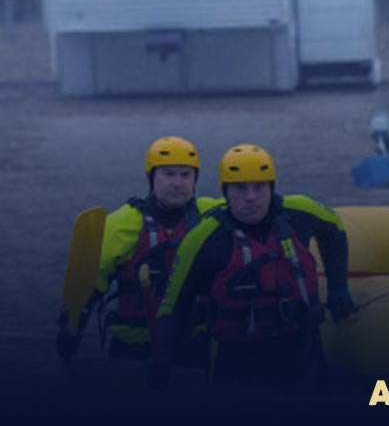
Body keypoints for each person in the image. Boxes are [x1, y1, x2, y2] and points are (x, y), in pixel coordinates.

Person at [148, 144, 357, 390]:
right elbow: (173, 306)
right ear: (225, 191)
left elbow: (335, 230)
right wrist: (162, 362)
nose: (251, 197)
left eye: (259, 187)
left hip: (303, 354)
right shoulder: (203, 239)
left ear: (271, 187)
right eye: (240, 188)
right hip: (236, 364)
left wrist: (338, 289)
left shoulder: (300, 213)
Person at [55, 136, 220, 362]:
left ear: (195, 179)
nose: (178, 183)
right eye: (168, 174)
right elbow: (90, 286)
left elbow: (257, 205)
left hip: (194, 344)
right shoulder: (121, 224)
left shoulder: (213, 215)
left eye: (186, 175)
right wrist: (72, 329)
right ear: (149, 177)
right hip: (136, 347)